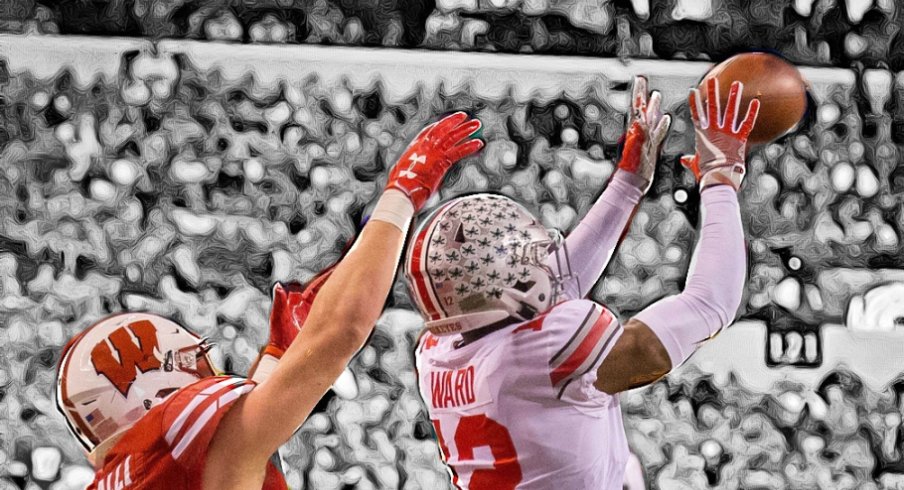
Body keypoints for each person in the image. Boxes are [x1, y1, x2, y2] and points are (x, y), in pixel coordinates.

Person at [54, 112, 485, 489]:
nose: (205, 372)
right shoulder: (178, 437)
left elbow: (243, 446)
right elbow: (342, 331)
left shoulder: (130, 469)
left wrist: (279, 353)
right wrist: (401, 196)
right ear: (151, 391)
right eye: (188, 365)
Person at [406, 77, 759, 489]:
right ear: (504, 288)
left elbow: (556, 284)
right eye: (524, 263)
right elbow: (710, 304)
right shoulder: (542, 348)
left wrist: (628, 184)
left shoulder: (437, 349)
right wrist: (720, 180)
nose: (542, 263)